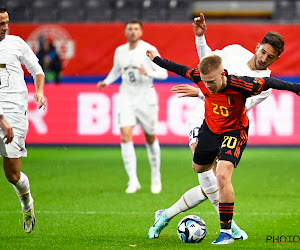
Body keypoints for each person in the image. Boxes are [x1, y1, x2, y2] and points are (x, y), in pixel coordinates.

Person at [148, 13, 285, 241]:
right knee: (207, 177)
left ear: (276, 59)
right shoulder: (234, 51)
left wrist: (201, 92)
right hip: (203, 120)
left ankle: (167, 215)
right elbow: (207, 64)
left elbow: (235, 105)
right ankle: (230, 228)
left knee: (213, 182)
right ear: (257, 46)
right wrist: (200, 38)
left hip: (227, 127)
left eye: (270, 57)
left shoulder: (264, 86)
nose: (263, 59)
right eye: (263, 52)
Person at [97, 19, 168, 194]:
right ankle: (133, 180)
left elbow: (164, 73)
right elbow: (116, 70)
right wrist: (106, 82)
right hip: (126, 97)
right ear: (126, 32)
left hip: (146, 98)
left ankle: (155, 176)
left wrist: (148, 72)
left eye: (136, 29)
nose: (133, 32)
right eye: (130, 29)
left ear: (141, 32)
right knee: (125, 136)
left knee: (150, 137)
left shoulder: (149, 50)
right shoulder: (119, 51)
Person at [0, 7, 46, 233]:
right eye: (0, 24)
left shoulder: (16, 43)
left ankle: (27, 205)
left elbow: (37, 70)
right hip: (1, 116)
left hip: (15, 112)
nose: (5, 27)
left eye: (6, 22)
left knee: (12, 174)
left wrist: (39, 91)